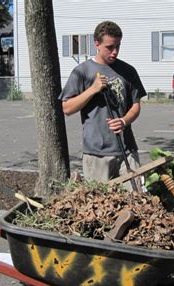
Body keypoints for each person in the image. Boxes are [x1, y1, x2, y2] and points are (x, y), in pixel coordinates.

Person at [59, 21, 147, 190]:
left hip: (127, 150)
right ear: (96, 44)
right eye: (109, 47)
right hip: (96, 153)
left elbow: (136, 105)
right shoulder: (82, 71)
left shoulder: (128, 71)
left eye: (118, 46)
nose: (114, 52)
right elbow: (67, 108)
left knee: (136, 200)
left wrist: (124, 121)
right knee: (102, 206)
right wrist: (92, 89)